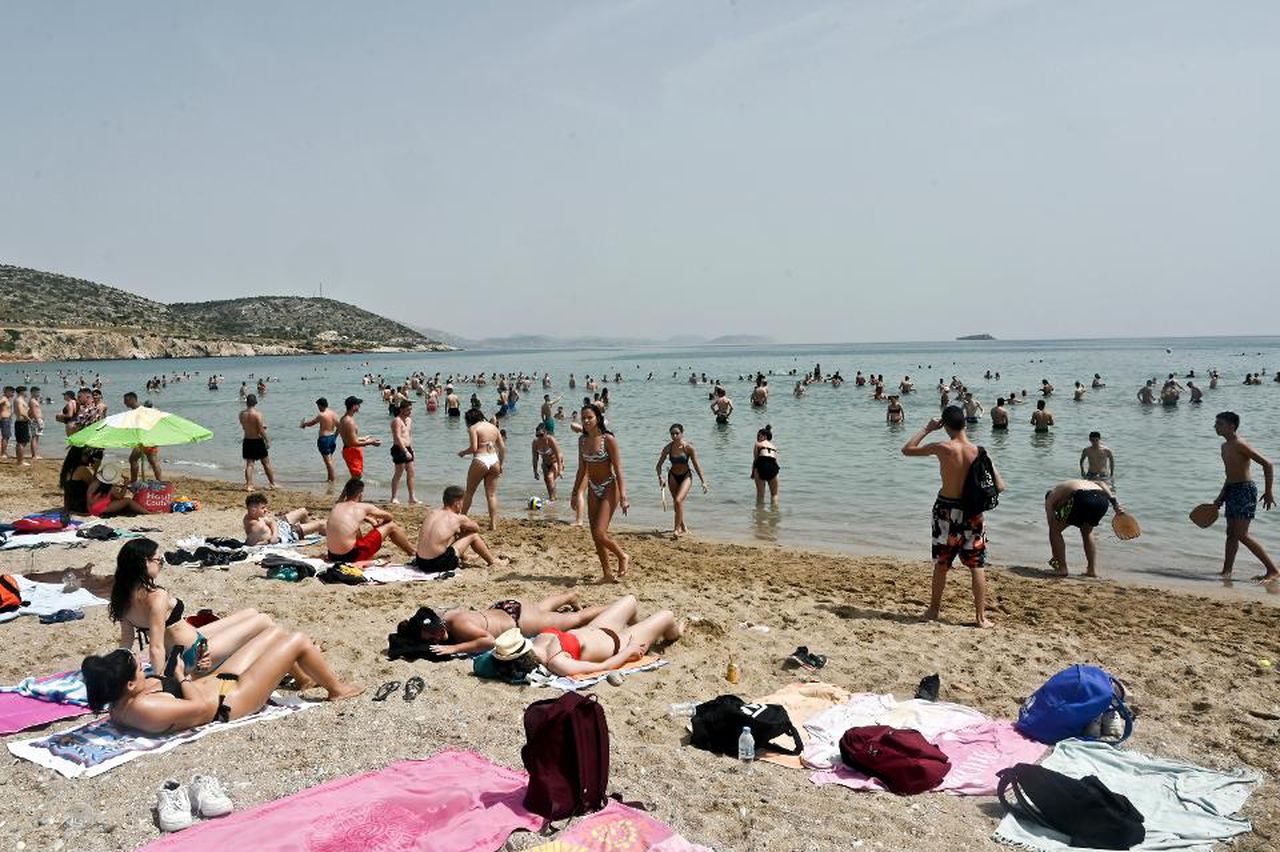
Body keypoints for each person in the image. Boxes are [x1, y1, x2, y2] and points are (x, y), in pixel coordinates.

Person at [81, 629, 362, 736]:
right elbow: (202, 708)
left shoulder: (120, 701)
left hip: (218, 684)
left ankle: (302, 678)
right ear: (130, 686)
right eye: (138, 672)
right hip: (231, 699)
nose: (143, 672)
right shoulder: (146, 709)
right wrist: (180, 676)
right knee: (299, 640)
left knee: (273, 633)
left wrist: (186, 673)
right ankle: (336, 690)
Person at [108, 538, 279, 676]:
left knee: (251, 613)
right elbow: (156, 646)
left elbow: (126, 641)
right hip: (194, 655)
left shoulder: (122, 595)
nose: (161, 563)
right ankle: (285, 668)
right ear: (144, 563)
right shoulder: (156, 597)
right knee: (263, 620)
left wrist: (117, 668)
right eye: (158, 560)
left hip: (187, 644)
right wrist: (160, 680)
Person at [901, 405, 1006, 628]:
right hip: (973, 512)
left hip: (946, 511)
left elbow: (907, 449)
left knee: (942, 563)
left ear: (945, 426)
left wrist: (927, 429)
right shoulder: (980, 452)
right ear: (966, 423)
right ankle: (981, 617)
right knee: (977, 565)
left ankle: (933, 610)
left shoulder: (942, 448)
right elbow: (1000, 486)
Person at [489, 594, 681, 679]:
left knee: (630, 600)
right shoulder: (557, 663)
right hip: (620, 643)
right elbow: (602, 667)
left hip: (598, 627)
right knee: (667, 616)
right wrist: (629, 651)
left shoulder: (536, 642)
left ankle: (642, 628)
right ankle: (674, 633)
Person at [420, 591, 608, 656]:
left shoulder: (459, 626)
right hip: (504, 608)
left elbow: (488, 641)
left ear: (438, 623)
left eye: (434, 631)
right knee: (540, 609)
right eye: (432, 639)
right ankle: (569, 596)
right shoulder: (446, 616)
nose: (436, 638)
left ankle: (614, 607)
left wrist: (454, 649)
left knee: (576, 619)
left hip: (517, 620)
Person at [1212, 412, 1278, 582]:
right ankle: (1226, 571)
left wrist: (1269, 491)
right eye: (1216, 423)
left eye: (1219, 423)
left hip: (1244, 490)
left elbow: (1267, 464)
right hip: (1232, 489)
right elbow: (1230, 475)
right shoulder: (1224, 446)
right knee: (1231, 533)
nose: (1215, 426)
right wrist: (1221, 496)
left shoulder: (1240, 444)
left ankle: (1273, 570)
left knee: (1241, 534)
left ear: (1231, 426)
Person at [571, 403, 630, 581]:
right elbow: (582, 469)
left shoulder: (608, 439)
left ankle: (622, 556)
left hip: (610, 487)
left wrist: (624, 497)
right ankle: (607, 574)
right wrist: (575, 493)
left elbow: (618, 469)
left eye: (590, 417)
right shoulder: (582, 441)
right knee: (595, 535)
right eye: (584, 418)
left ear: (598, 418)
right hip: (592, 488)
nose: (587, 421)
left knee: (600, 532)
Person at [1044, 479, 1127, 577]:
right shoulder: (1075, 484)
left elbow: (1052, 528)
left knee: (1055, 531)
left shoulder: (1050, 499)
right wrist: (1115, 504)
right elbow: (1101, 483)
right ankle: (1091, 570)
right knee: (1087, 532)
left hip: (1081, 497)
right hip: (1102, 500)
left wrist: (1056, 556)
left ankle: (1062, 569)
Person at [411, 485, 502, 572]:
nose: (463, 505)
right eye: (463, 502)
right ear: (457, 503)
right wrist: (462, 524)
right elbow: (476, 528)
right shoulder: (457, 518)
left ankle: (465, 557)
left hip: (421, 562)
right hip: (437, 564)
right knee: (473, 536)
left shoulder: (432, 513)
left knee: (453, 535)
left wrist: (457, 530)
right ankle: (492, 561)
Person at [325, 477, 415, 562]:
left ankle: (365, 552)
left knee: (353, 528)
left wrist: (367, 518)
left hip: (332, 555)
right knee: (391, 526)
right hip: (350, 557)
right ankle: (412, 552)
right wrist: (380, 523)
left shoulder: (337, 506)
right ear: (360, 494)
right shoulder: (364, 507)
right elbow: (389, 517)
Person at [655, 423, 708, 536]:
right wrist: (661, 477)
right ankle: (682, 526)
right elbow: (658, 465)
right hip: (673, 476)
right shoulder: (668, 448)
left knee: (678, 501)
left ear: (682, 434)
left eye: (677, 433)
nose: (674, 436)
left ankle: (676, 529)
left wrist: (703, 482)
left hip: (686, 476)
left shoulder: (688, 448)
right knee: (676, 503)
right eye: (672, 434)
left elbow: (696, 465)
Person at [458, 407, 506, 530]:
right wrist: (501, 464)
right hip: (494, 460)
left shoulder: (473, 428)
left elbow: (474, 448)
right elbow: (502, 448)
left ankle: (461, 519)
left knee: (469, 492)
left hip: (481, 459)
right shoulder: (494, 427)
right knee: (491, 495)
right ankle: (493, 524)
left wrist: (463, 452)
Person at [243, 492, 326, 546]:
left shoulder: (255, 516)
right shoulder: (253, 525)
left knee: (303, 511)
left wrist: (274, 535)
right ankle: (311, 532)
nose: (266, 510)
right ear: (253, 510)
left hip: (281, 525)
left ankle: (309, 533)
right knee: (321, 524)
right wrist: (271, 540)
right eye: (263, 508)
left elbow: (272, 522)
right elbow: (251, 543)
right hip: (287, 533)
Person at [86, 461, 152, 517]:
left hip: (90, 509)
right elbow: (120, 496)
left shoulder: (94, 483)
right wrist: (125, 485)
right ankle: (147, 512)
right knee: (128, 500)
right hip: (101, 508)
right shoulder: (111, 488)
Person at [123, 392, 163, 482]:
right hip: (146, 440)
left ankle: (135, 481)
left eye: (126, 401)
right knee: (150, 461)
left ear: (132, 400)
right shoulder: (138, 411)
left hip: (146, 440)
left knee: (144, 460)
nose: (124, 403)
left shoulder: (141, 411)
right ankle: (158, 481)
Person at [338, 396, 380, 479]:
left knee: (356, 477)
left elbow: (349, 438)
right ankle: (347, 492)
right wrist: (371, 442)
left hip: (349, 450)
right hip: (351, 451)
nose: (359, 406)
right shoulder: (349, 421)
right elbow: (352, 442)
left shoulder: (344, 418)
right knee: (357, 477)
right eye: (358, 404)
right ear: (354, 406)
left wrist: (364, 438)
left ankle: (353, 492)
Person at [299, 397, 340, 483]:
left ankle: (332, 480)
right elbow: (339, 427)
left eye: (318, 406)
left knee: (328, 462)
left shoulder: (321, 415)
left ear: (321, 406)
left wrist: (304, 424)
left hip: (324, 439)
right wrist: (335, 437)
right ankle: (329, 479)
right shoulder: (334, 414)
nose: (318, 408)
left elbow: (311, 423)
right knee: (330, 460)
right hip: (332, 438)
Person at [239, 394, 275, 490]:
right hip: (257, 440)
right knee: (266, 463)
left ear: (246, 402)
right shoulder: (257, 414)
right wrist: (267, 440)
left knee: (249, 464)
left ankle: (249, 485)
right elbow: (260, 430)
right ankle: (272, 484)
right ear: (255, 402)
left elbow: (245, 427)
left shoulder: (242, 414)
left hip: (247, 440)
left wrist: (260, 427)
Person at [389, 400, 418, 505]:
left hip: (408, 448)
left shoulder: (409, 420)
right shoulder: (397, 421)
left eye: (411, 409)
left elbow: (409, 435)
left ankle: (411, 497)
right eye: (408, 409)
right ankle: (394, 497)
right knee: (399, 472)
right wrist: (405, 451)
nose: (410, 411)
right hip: (399, 448)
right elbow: (397, 436)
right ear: (401, 409)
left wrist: (411, 448)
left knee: (411, 472)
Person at [532, 423, 564, 502]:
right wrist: (535, 471)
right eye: (537, 435)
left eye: (541, 435)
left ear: (546, 433)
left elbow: (558, 454)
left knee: (550, 478)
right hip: (545, 463)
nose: (539, 437)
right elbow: (535, 458)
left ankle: (552, 500)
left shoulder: (550, 440)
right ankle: (553, 499)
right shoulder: (535, 443)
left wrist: (560, 469)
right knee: (547, 482)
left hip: (556, 461)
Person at [751, 425, 780, 505]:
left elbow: (756, 460)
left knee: (760, 494)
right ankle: (775, 514)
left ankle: (760, 514)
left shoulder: (758, 444)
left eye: (758, 436)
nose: (757, 438)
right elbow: (776, 461)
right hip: (773, 467)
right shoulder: (774, 447)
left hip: (762, 465)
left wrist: (753, 473)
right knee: (775, 494)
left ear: (764, 436)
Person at [0, 386, 12, 459]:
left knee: (6, 436)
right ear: (7, 392)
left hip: (6, 419)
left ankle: (4, 452)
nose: (12, 393)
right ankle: (3, 453)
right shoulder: (4, 399)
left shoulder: (6, 399)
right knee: (5, 437)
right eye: (11, 392)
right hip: (4, 419)